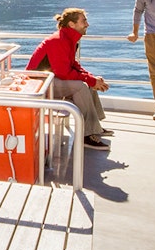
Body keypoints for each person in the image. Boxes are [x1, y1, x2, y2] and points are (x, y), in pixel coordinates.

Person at [27, 8, 112, 150]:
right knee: (81, 86)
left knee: (88, 83)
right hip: (39, 84)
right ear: (72, 24)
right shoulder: (59, 40)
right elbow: (64, 72)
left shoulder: (69, 39)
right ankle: (86, 135)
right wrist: (90, 81)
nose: (87, 24)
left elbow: (73, 65)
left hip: (50, 79)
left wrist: (92, 78)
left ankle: (94, 126)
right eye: (84, 21)